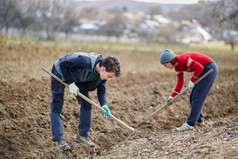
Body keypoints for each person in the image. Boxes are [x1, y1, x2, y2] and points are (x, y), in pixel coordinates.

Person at [50, 52, 121, 150]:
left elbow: (101, 90)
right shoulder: (84, 61)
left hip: (77, 78)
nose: (109, 79)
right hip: (60, 71)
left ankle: (83, 135)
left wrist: (104, 105)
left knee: (87, 104)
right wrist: (70, 83)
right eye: (109, 76)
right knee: (57, 104)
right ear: (103, 69)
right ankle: (58, 140)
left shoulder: (101, 74)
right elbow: (64, 65)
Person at [160, 49, 218, 132]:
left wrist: (192, 80)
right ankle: (199, 120)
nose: (166, 67)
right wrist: (172, 96)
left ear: (170, 61)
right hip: (203, 70)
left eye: (165, 65)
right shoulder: (177, 67)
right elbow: (180, 83)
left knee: (198, 97)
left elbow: (199, 67)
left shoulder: (183, 59)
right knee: (192, 97)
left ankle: (190, 124)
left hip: (209, 68)